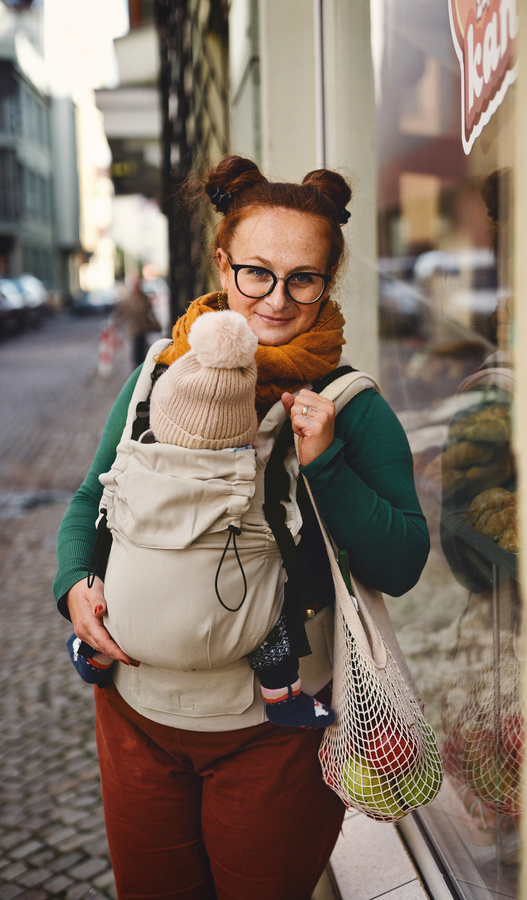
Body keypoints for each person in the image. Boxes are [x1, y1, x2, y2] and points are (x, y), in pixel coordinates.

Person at [54, 154, 430, 900]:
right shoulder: (159, 370)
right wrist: (72, 585)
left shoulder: (351, 404)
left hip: (274, 734)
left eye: (304, 279)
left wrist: (326, 466)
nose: (277, 300)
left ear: (328, 283)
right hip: (135, 714)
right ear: (224, 265)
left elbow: (403, 562)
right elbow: (88, 500)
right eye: (257, 272)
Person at [65, 309, 334, 729]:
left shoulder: (137, 459)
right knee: (272, 616)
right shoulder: (251, 472)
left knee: (111, 583)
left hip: (126, 627)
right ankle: (284, 699)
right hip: (235, 639)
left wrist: (75, 580)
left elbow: (96, 505)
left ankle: (91, 654)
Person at [115, 276, 161, 367]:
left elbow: (151, 313)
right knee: (136, 351)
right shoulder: (127, 300)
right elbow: (119, 313)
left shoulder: (144, 298)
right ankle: (136, 368)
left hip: (144, 328)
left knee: (144, 350)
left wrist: (157, 325)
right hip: (133, 330)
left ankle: (142, 367)